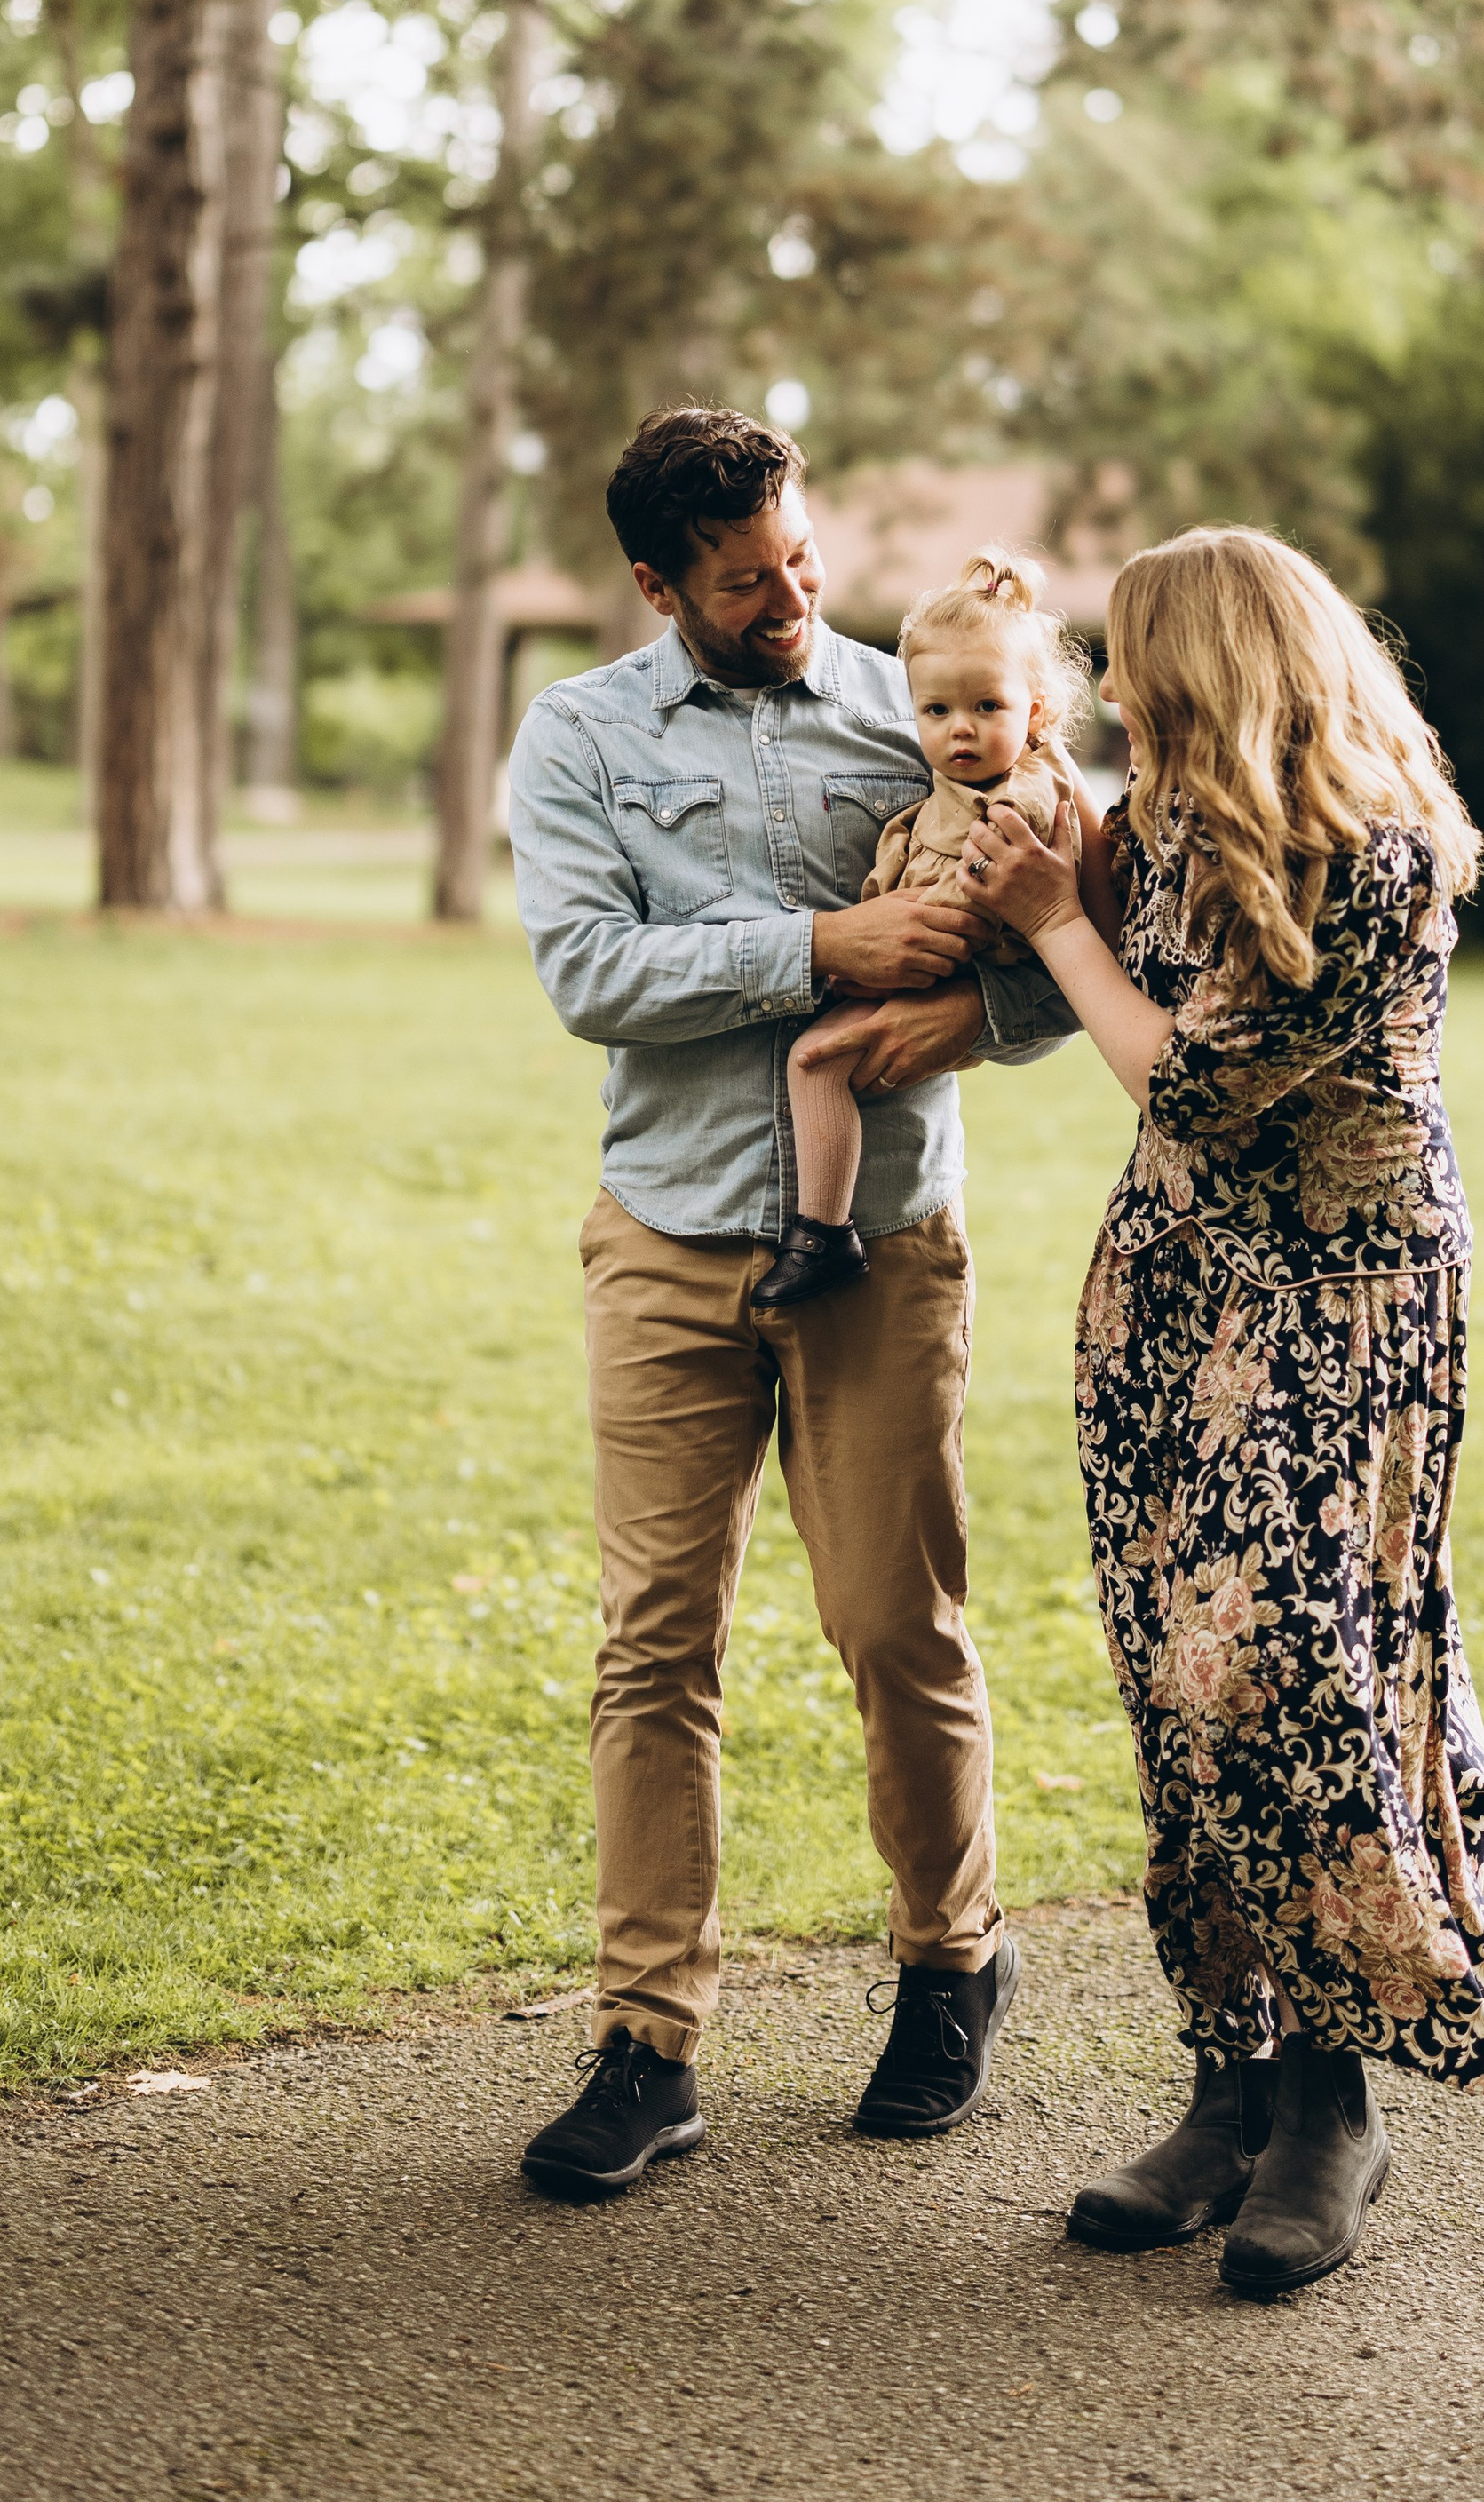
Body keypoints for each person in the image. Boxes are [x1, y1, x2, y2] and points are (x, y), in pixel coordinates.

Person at [504, 406, 1073, 2201]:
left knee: (895, 1625)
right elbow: (589, 971)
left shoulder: (923, 706)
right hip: (666, 1241)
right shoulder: (578, 735)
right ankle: (646, 2043)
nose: (792, 596)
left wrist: (965, 1015)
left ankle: (952, 1962)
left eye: (801, 558)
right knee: (653, 1647)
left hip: (881, 1250)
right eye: (746, 580)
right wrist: (823, 948)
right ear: (656, 582)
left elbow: (1069, 950)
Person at [964, 523, 1484, 2300]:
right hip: (1171, 1287)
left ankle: (1329, 2104)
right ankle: (1230, 2087)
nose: (1116, 697)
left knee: (1271, 1676)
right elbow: (1071, 968)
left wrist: (1057, 919)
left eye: (1135, 666)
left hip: (1334, 1298)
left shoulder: (1370, 852)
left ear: (1213, 666)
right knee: (1170, 1690)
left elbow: (1189, 1085)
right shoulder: (1170, 821)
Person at [756, 544, 1092, 1310]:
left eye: (987, 707)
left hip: (946, 975)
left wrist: (863, 962)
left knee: (814, 1059)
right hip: (922, 968)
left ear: (1037, 712)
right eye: (936, 712)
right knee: (819, 1056)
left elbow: (966, 910)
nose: (960, 730)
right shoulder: (959, 786)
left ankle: (823, 1231)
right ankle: (822, 1225)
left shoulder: (1020, 802)